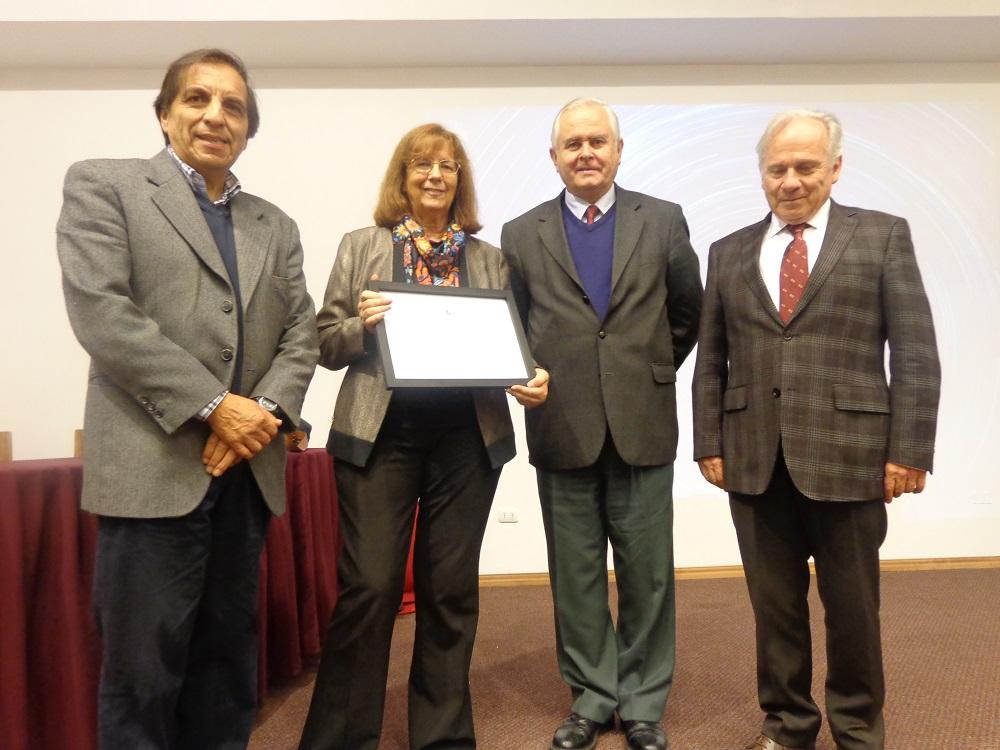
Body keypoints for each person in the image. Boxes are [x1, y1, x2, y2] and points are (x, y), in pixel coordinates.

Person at [56, 48, 318, 748]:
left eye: (233, 106)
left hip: (246, 476)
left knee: (227, 668)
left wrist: (261, 414)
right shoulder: (104, 186)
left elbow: (302, 332)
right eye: (197, 99)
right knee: (142, 675)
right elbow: (103, 315)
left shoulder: (275, 224)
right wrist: (215, 405)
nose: (214, 115)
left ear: (248, 128)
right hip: (151, 473)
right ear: (165, 113)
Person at [692, 109, 941, 750]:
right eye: (778, 168)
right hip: (753, 459)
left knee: (853, 609)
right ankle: (789, 727)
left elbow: (914, 351)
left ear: (834, 168)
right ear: (763, 174)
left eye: (806, 166)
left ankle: (858, 730)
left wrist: (908, 449)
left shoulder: (882, 236)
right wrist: (709, 442)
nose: (791, 180)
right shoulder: (729, 251)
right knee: (775, 611)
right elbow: (710, 358)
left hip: (853, 456)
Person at [298, 123, 549, 750]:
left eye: (447, 166)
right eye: (421, 165)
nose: (435, 175)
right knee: (370, 587)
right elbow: (323, 342)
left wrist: (530, 375)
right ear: (402, 177)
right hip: (379, 436)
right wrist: (361, 323)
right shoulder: (363, 247)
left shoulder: (489, 258)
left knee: (450, 590)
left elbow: (514, 345)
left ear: (459, 179)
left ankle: (440, 738)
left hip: (468, 441)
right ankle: (339, 739)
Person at [500, 98, 703, 750]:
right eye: (572, 143)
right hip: (560, 424)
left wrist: (647, 369)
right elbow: (514, 323)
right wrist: (522, 371)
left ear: (619, 150)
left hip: (643, 422)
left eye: (597, 141)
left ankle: (642, 704)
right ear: (555, 156)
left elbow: (688, 312)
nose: (585, 152)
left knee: (648, 575)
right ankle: (591, 699)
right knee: (576, 574)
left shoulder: (663, 220)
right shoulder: (521, 232)